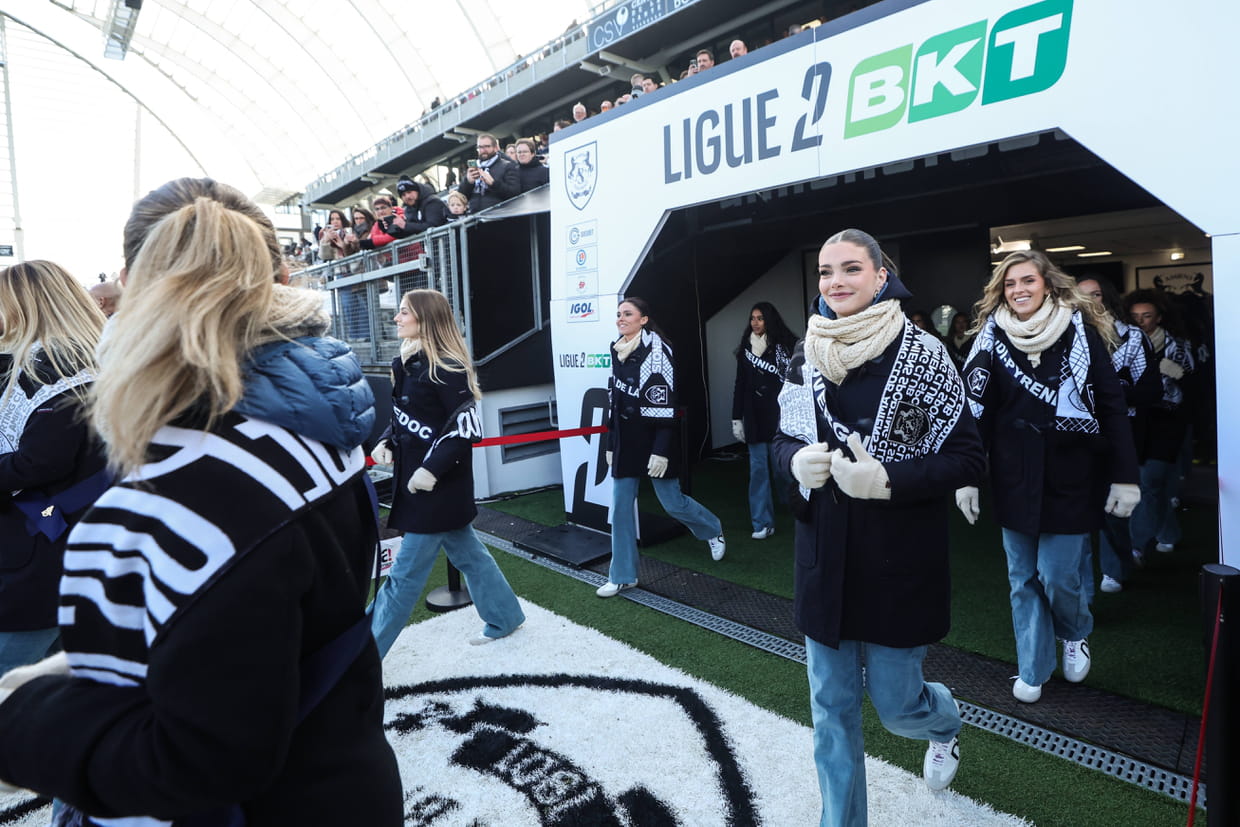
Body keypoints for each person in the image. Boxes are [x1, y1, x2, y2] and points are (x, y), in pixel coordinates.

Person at [0, 178, 403, 824]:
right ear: (279, 279)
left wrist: (20, 722)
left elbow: (200, 761)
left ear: (129, 285)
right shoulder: (316, 428)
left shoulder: (170, 499)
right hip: (345, 774)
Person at [773, 229, 981, 824]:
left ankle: (944, 722)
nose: (835, 282)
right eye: (825, 271)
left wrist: (889, 480)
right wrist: (793, 461)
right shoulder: (805, 354)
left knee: (897, 707)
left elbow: (967, 459)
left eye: (850, 269)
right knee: (831, 712)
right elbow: (780, 439)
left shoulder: (925, 355)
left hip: (898, 561)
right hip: (825, 560)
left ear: (881, 276)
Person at [957, 250, 1139, 704]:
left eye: (1027, 281)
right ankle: (1033, 668)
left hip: (1071, 473)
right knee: (1022, 579)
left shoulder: (1080, 332)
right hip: (1013, 473)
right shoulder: (990, 337)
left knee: (1057, 575)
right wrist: (968, 475)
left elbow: (1112, 408)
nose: (1018, 290)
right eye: (1009, 283)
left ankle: (1075, 631)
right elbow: (975, 413)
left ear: (1048, 284)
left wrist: (1125, 476)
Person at [369, 289, 525, 653]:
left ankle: (362, 657)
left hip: (437, 489)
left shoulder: (449, 367)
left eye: (404, 312)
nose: (396, 318)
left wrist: (430, 470)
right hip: (414, 484)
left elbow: (465, 429)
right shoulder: (404, 363)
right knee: (470, 556)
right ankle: (505, 616)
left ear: (425, 318)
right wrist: (387, 439)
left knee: (403, 577)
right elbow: (406, 417)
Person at [0, 261, 108, 676]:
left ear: (24, 306)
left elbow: (39, 462)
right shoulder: (100, 358)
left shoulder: (53, 367)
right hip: (77, 534)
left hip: (40, 538)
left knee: (14, 676)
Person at [596, 297, 725, 597]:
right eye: (618, 314)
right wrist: (611, 442)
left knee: (673, 503)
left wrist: (661, 450)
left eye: (628, 314)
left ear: (643, 319)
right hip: (626, 440)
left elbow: (666, 406)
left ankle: (712, 528)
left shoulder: (660, 351)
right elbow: (615, 401)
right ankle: (623, 576)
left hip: (655, 439)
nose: (620, 318)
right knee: (620, 509)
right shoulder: (617, 349)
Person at [1076, 278, 1160, 595]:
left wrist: (1112, 395)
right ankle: (1083, 588)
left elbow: (1151, 390)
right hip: (1078, 435)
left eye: (1095, 294)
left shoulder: (1133, 337)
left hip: (1120, 432)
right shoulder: (1064, 334)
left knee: (1113, 508)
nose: (1089, 300)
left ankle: (1115, 566)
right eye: (1081, 295)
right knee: (1079, 509)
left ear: (1107, 297)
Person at [1123, 288, 1194, 564]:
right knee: (1153, 485)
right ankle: (1169, 533)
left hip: (1167, 419)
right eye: (1135, 316)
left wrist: (1170, 371)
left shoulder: (1177, 345)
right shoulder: (1125, 343)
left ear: (1159, 318)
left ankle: (1136, 546)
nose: (1140, 321)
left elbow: (1190, 376)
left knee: (1149, 482)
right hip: (1136, 418)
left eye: (1147, 315)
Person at [731, 302, 796, 540]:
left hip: (780, 416)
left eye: (760, 318)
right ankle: (762, 522)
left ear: (770, 320)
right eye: (752, 318)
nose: (755, 323)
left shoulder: (786, 346)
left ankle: (793, 502)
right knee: (758, 471)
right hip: (754, 417)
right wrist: (736, 417)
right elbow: (739, 384)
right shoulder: (745, 348)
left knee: (782, 469)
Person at [458, 133, 520, 213]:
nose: (483, 150)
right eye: (480, 147)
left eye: (487, 146)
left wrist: (493, 183)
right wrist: (468, 182)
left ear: (495, 148)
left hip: (499, 215)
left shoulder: (508, 166)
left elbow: (515, 194)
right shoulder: (473, 167)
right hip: (474, 215)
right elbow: (461, 197)